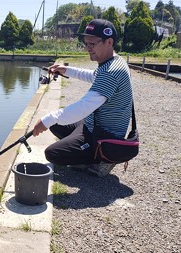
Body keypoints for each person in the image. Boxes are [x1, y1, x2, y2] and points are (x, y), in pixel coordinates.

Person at [32, 19, 134, 177]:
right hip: (93, 124)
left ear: (109, 42)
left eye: (92, 44)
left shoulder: (111, 71)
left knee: (53, 154)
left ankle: (102, 160)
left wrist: (46, 120)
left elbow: (84, 107)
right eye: (86, 43)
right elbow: (93, 76)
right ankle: (84, 150)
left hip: (104, 134)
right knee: (56, 125)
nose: (88, 48)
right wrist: (67, 70)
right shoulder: (113, 61)